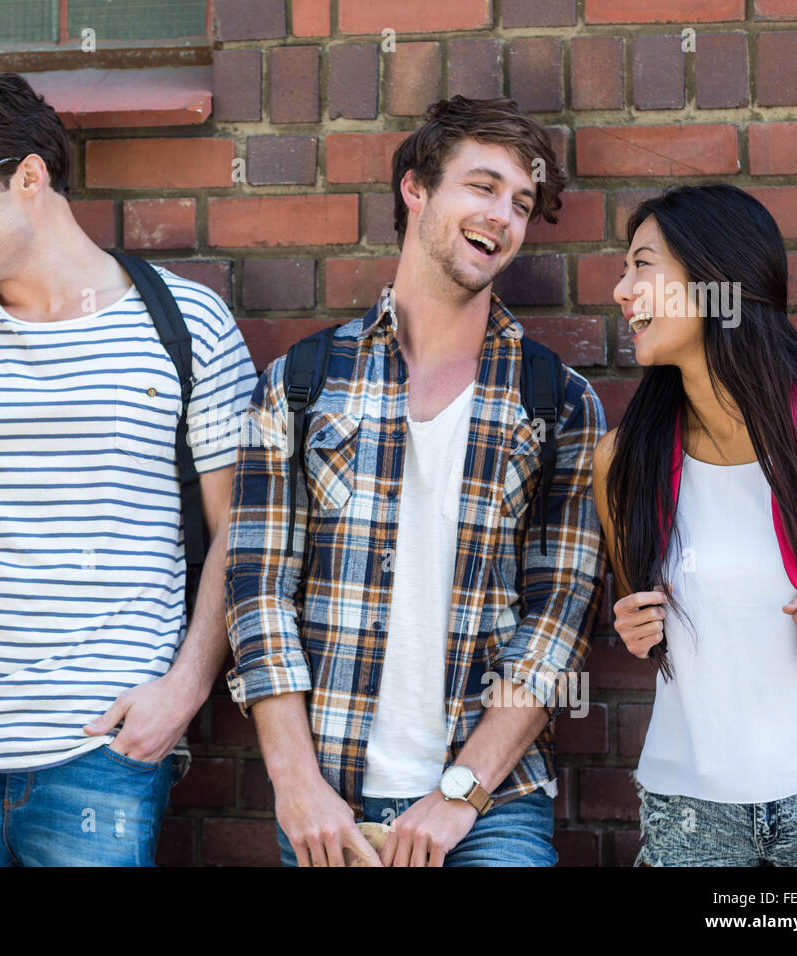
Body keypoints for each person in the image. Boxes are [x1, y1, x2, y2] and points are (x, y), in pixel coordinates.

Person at [0, 73, 257, 866]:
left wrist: (181, 694)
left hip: (104, 756)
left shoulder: (188, 324)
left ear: (30, 178)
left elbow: (241, 533)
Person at [225, 95, 607, 867]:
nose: (502, 215)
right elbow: (258, 590)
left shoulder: (558, 400)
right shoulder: (300, 383)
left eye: (521, 202)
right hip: (330, 803)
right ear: (416, 189)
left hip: (492, 805)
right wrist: (295, 783)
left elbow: (558, 620)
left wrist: (460, 791)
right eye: (482, 185)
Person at [594, 183, 797, 866]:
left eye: (643, 264)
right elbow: (649, 621)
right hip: (686, 805)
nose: (620, 289)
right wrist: (636, 626)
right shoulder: (623, 460)